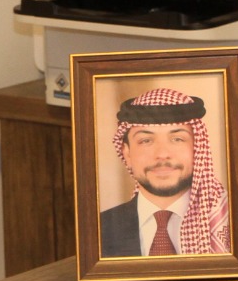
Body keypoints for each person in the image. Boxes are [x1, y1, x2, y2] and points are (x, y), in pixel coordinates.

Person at [98, 87, 230, 257]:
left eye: (177, 139)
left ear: (198, 149)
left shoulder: (228, 223)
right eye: (146, 141)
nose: (162, 154)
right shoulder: (99, 229)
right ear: (127, 153)